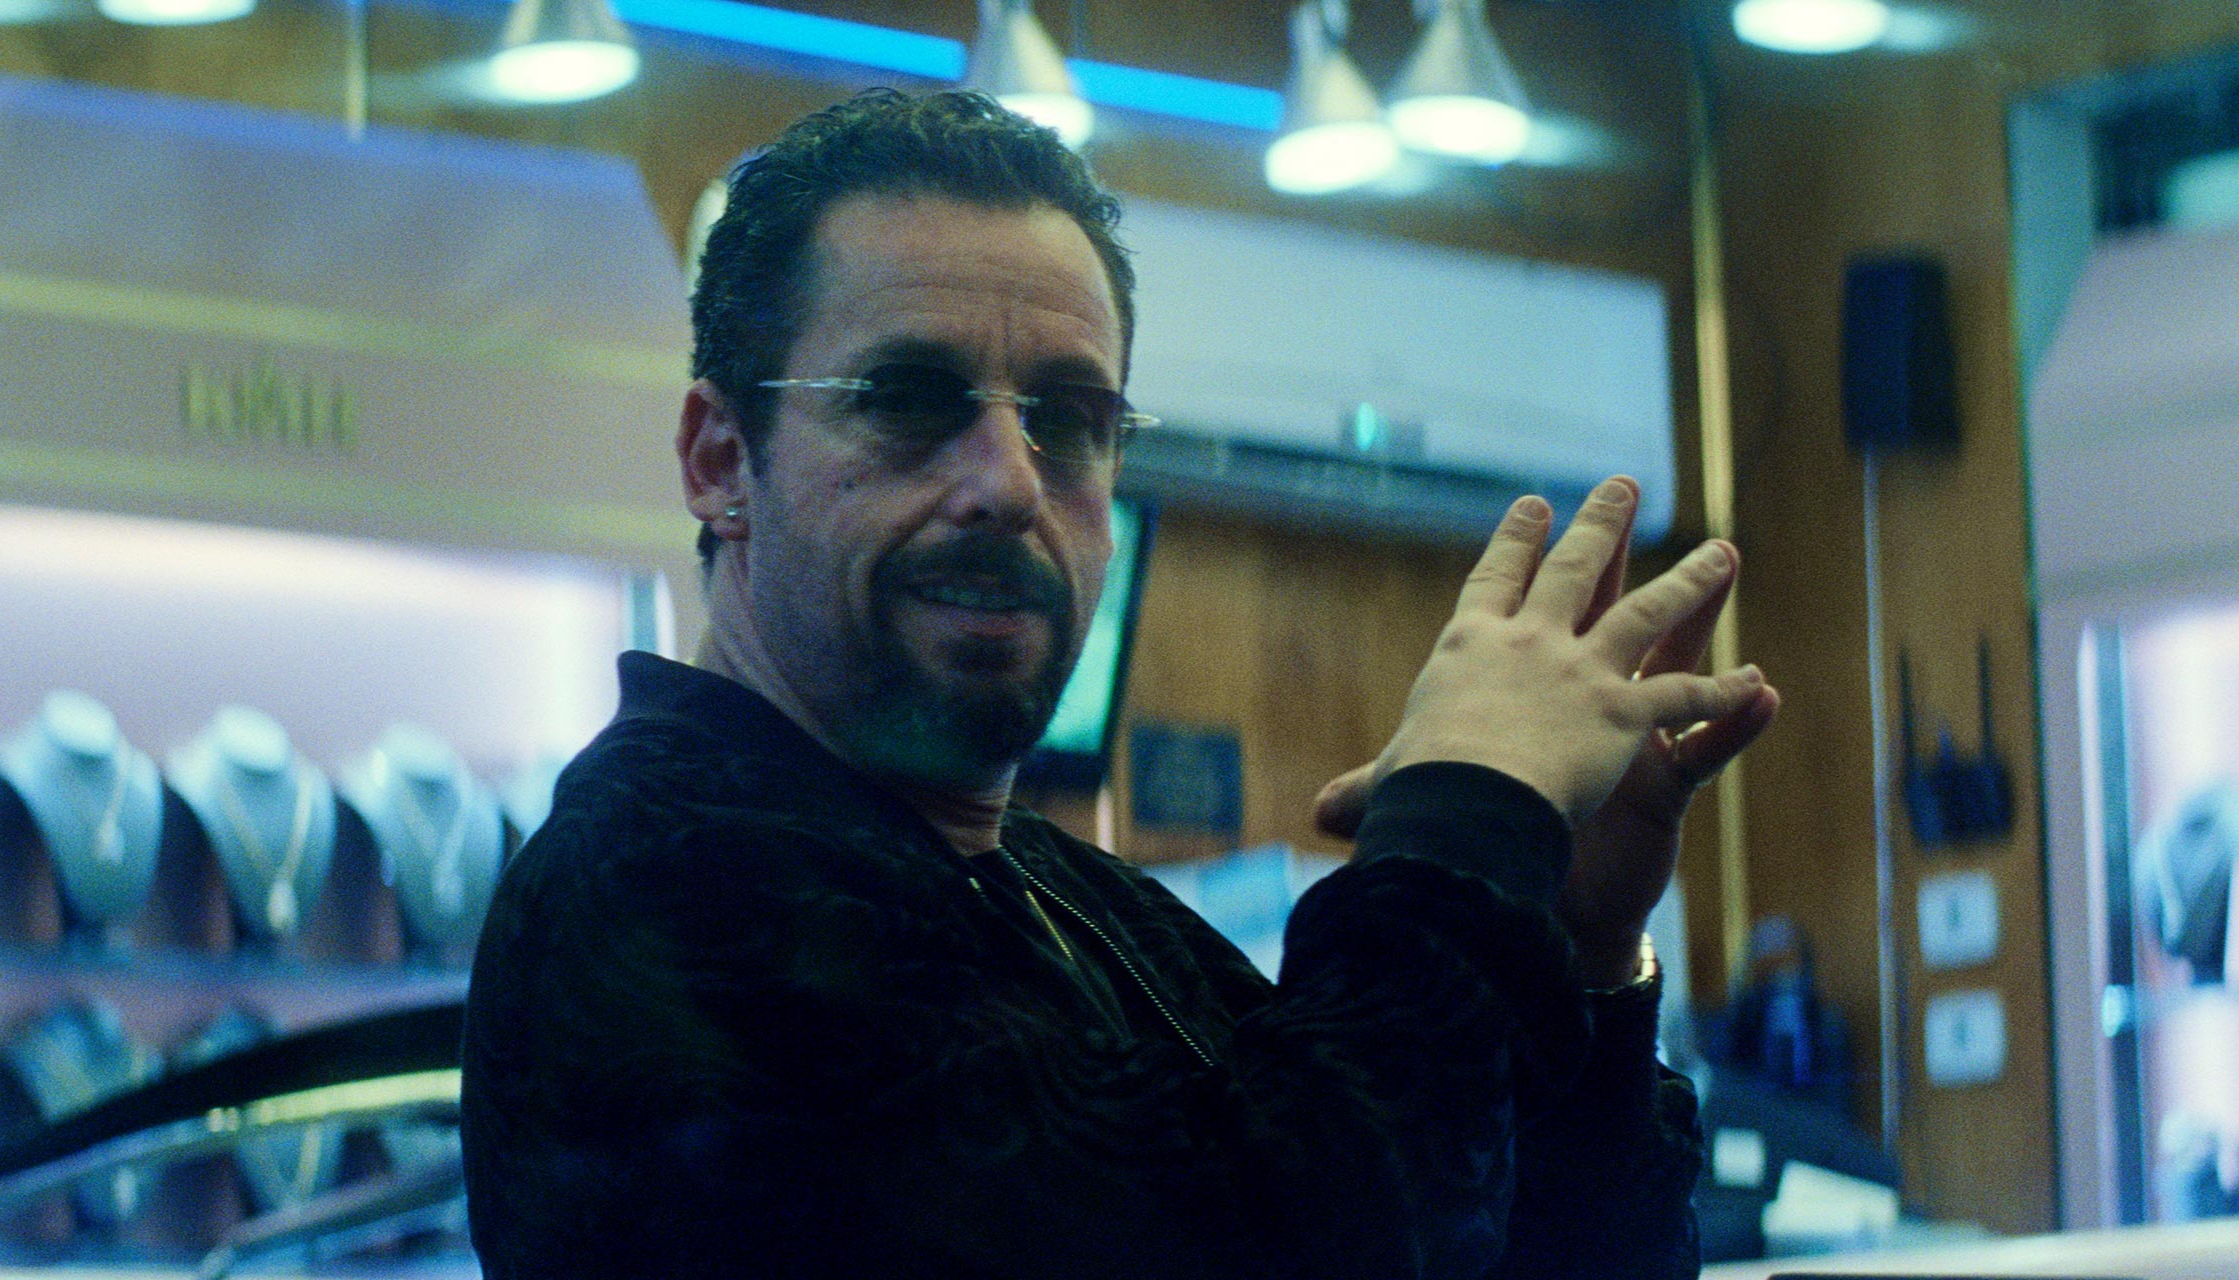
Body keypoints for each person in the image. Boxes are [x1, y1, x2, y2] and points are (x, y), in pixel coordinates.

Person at [461, 88, 1780, 1279]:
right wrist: (1459, 831)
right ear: (717, 461)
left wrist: (1572, 946)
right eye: (909, 397)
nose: (1009, 482)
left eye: (1069, 418)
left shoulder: (1070, 899)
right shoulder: (651, 891)